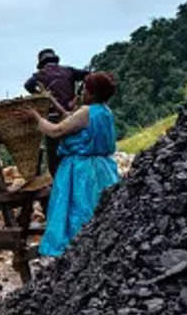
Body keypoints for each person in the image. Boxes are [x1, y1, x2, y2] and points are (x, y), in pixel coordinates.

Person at [27, 72, 120, 257]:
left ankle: (77, 253)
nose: (82, 93)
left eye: (85, 89)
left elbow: (56, 130)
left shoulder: (86, 112)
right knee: (100, 211)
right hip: (103, 169)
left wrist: (36, 118)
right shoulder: (105, 111)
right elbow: (72, 118)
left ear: (92, 93)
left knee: (77, 212)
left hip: (80, 171)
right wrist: (53, 102)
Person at [24, 49, 90, 175]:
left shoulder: (40, 75)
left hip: (52, 117)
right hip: (73, 117)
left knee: (54, 156)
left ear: (42, 63)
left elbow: (28, 85)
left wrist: (41, 95)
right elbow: (88, 74)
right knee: (73, 149)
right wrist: (78, 94)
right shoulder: (69, 71)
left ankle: (59, 183)